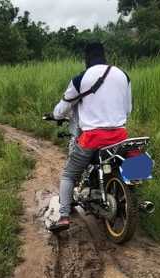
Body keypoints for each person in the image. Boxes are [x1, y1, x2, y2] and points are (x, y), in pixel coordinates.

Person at [49, 41, 132, 232]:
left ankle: (64, 216)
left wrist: (55, 115)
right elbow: (128, 109)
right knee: (125, 163)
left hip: (93, 138)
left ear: (86, 58)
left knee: (69, 175)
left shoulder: (81, 79)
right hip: (120, 135)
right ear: (104, 55)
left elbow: (62, 109)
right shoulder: (123, 75)